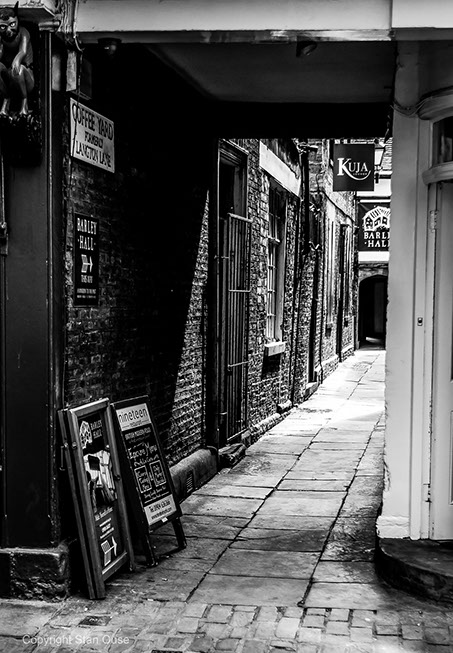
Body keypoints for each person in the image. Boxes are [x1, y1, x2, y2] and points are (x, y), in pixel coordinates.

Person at [0, 2, 34, 117]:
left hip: (25, 77)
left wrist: (17, 60)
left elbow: (22, 51)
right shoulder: (1, 38)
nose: (8, 30)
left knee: (17, 70)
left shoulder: (23, 33)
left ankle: (24, 102)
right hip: (10, 80)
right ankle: (6, 99)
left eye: (12, 24)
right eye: (3, 27)